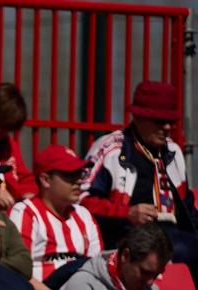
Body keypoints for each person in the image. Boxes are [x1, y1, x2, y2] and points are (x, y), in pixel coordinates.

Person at [83, 80, 196, 264]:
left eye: (171, 121)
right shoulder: (109, 148)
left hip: (172, 235)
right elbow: (82, 202)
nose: (167, 127)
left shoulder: (173, 152)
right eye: (160, 121)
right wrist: (127, 213)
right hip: (126, 236)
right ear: (138, 117)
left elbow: (188, 208)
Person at [10, 144, 101, 290]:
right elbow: (18, 273)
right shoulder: (26, 213)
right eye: (70, 175)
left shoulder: (84, 215)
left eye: (80, 173)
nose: (79, 180)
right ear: (45, 180)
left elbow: (97, 268)